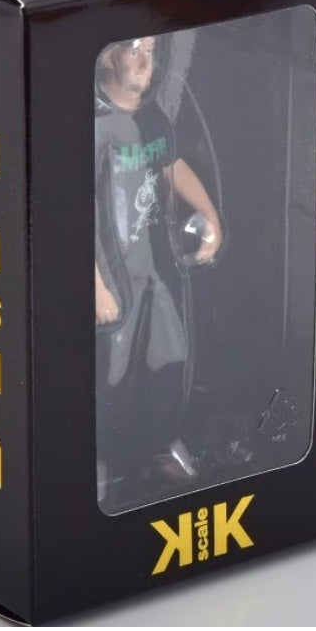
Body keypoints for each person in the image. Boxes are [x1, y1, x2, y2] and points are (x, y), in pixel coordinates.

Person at [95, 35, 222, 510]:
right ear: (109, 57)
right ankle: (101, 460)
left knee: (171, 354)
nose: (144, 62)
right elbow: (72, 207)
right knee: (111, 371)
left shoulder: (151, 120)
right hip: (115, 277)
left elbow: (171, 164)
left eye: (150, 52)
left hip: (153, 272)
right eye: (134, 51)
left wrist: (209, 215)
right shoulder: (94, 128)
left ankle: (161, 446)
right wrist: (95, 284)